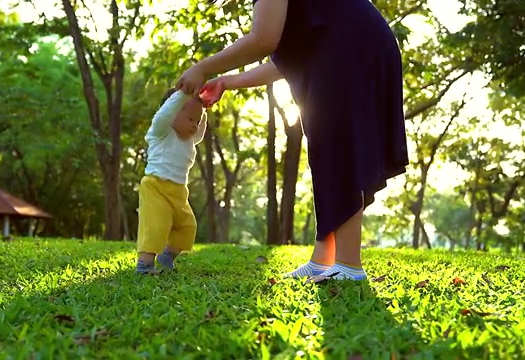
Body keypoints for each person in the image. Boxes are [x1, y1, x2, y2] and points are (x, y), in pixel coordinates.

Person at [176, 0, 409, 282]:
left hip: (351, 45)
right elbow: (285, 61)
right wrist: (226, 81)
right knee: (326, 146)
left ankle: (348, 265)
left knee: (337, 146)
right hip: (350, 43)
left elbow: (263, 40)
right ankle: (323, 259)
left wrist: (203, 67)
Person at [136, 88, 207, 274]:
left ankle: (167, 256)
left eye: (197, 121)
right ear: (173, 114)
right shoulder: (161, 131)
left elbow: (200, 130)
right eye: (191, 119)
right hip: (156, 186)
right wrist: (183, 94)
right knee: (156, 225)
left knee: (188, 226)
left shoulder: (190, 140)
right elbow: (165, 113)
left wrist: (204, 106)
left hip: (179, 191)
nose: (195, 125)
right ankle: (144, 265)